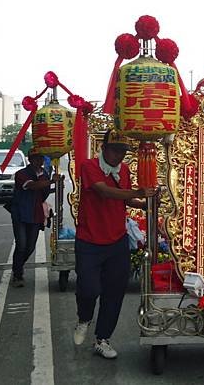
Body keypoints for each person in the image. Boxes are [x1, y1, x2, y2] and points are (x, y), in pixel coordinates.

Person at [73, 129, 157, 359]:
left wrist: (144, 202)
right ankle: (84, 318)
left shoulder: (125, 171)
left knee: (114, 291)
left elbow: (126, 198)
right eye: (115, 150)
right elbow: (105, 192)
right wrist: (137, 192)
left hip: (117, 241)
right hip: (89, 240)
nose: (119, 155)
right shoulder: (89, 166)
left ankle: (102, 339)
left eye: (122, 151)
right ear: (103, 148)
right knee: (88, 289)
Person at [10, 148, 57, 287]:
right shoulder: (21, 174)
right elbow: (32, 186)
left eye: (40, 158)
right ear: (30, 159)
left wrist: (56, 183)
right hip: (21, 213)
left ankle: (17, 266)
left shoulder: (45, 174)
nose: (39, 160)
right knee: (22, 244)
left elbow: (44, 191)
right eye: (36, 158)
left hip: (36, 214)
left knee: (30, 247)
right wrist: (51, 182)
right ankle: (18, 274)